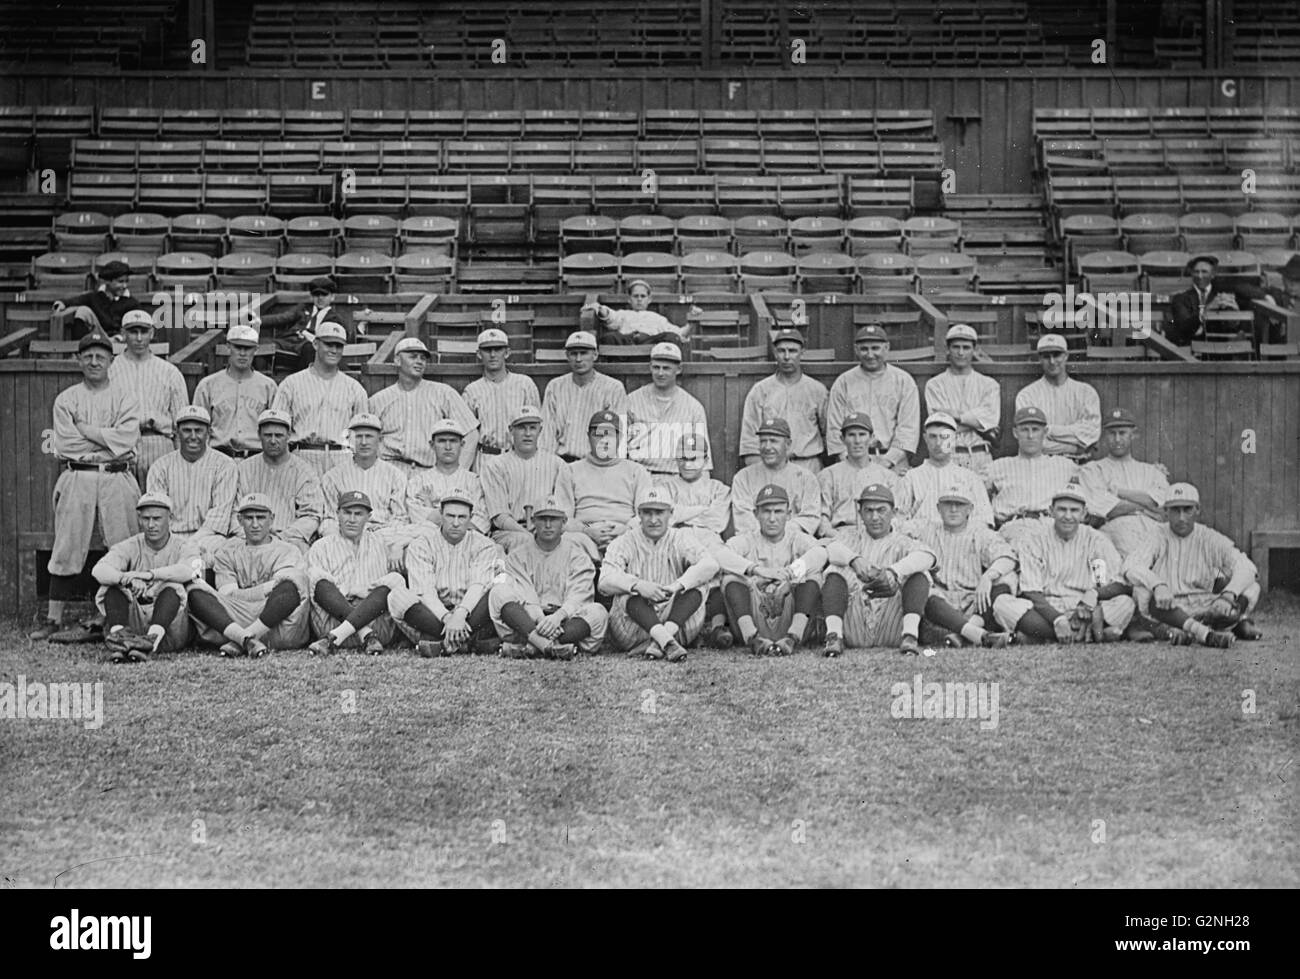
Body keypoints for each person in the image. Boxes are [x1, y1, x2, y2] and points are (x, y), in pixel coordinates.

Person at [29, 330, 142, 643]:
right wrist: (105, 438)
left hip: (117, 475)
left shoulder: (125, 397)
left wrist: (87, 430)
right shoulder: (66, 399)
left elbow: (125, 442)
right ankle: (53, 619)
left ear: (111, 361)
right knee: (67, 545)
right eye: (88, 356)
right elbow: (66, 444)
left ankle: (119, 618)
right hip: (77, 474)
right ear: (79, 359)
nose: (94, 361)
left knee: (123, 545)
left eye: (100, 357)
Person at [990, 484, 1135, 644]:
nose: (1067, 516)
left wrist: (1094, 595)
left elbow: (1119, 583)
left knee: (1125, 603)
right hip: (1047, 607)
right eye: (1062, 509)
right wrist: (1058, 619)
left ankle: (1040, 637)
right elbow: (1031, 591)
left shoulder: (1095, 540)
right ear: (1051, 511)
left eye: (1074, 510)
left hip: (1084, 607)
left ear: (1084, 513)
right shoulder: (1034, 540)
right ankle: (1087, 634)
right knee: (1002, 604)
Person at [1124, 482, 1262, 647]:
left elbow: (1246, 566)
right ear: (1166, 511)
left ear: (1197, 510)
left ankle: (1220, 624)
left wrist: (1228, 595)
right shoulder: (1157, 535)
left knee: (1251, 586)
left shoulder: (1208, 537)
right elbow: (1131, 566)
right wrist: (1158, 585)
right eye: (1175, 510)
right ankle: (1210, 632)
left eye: (1187, 509)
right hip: (1169, 605)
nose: (1181, 517)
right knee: (1143, 592)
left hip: (1205, 604)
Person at [599, 486, 721, 663]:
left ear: (670, 513)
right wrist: (638, 585)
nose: (654, 519)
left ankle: (661, 641)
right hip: (634, 628)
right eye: (647, 513)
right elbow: (604, 581)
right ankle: (664, 641)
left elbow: (710, 564)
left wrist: (676, 586)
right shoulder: (625, 541)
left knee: (699, 584)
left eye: (659, 512)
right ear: (638, 514)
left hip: (676, 623)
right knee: (625, 590)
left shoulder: (680, 537)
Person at [186, 493, 312, 658]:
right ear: (239, 520)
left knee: (293, 582)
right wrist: (267, 588)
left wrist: (261, 592)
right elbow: (227, 594)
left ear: (272, 519)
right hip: (235, 613)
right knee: (194, 589)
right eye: (248, 518)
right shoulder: (227, 550)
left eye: (260, 517)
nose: (255, 524)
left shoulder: (287, 550)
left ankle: (242, 638)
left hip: (273, 617)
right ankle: (246, 639)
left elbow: (284, 592)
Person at [820, 484, 936, 657]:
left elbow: (929, 557)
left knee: (920, 574)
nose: (875, 517)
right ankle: (834, 637)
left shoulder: (903, 541)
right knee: (835, 570)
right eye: (868, 511)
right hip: (855, 622)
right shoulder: (849, 537)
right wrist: (854, 560)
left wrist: (893, 572)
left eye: (881, 510)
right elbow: (828, 548)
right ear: (860, 514)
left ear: (894, 512)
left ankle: (911, 636)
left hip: (891, 624)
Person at [489, 496, 609, 661]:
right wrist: (539, 619)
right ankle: (549, 646)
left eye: (553, 519)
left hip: (563, 621)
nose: (547, 525)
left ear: (564, 521)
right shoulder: (517, 555)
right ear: (532, 521)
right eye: (542, 518)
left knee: (598, 612)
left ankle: (532, 646)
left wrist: (557, 617)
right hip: (527, 620)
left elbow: (579, 596)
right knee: (499, 590)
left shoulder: (578, 556)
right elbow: (523, 593)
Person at [719, 484, 828, 657]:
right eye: (766, 511)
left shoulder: (797, 538)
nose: (772, 518)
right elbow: (720, 554)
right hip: (755, 615)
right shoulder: (747, 539)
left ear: (789, 514)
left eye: (778, 511)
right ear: (756, 514)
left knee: (812, 575)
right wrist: (757, 570)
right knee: (730, 578)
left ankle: (793, 637)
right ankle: (753, 639)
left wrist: (791, 576)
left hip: (790, 615)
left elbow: (821, 554)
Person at [91, 492, 198, 662]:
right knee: (111, 587)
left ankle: (150, 645)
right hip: (135, 623)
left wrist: (147, 575)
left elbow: (191, 570)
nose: (151, 525)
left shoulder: (184, 545)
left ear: (170, 518)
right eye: (145, 519)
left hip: (169, 628)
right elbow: (99, 570)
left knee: (174, 588)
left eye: (157, 519)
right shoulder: (131, 544)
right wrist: (125, 579)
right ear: (139, 519)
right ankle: (121, 640)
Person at [306, 491, 416, 657]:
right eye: (346, 513)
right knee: (314, 574)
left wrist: (399, 545)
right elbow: (318, 590)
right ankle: (362, 634)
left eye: (358, 514)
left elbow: (430, 530)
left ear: (369, 517)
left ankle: (335, 638)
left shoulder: (381, 540)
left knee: (395, 579)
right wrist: (350, 590)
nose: (351, 519)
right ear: (337, 514)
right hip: (334, 623)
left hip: (377, 628)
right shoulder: (322, 546)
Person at [400, 492, 505, 657]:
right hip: (436, 614)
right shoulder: (422, 544)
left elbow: (478, 586)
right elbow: (425, 590)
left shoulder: (484, 544)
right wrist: (448, 618)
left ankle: (444, 643)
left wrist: (460, 615)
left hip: (471, 613)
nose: (456, 523)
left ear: (471, 518)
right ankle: (469, 643)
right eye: (450, 516)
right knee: (397, 597)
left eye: (462, 517)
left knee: (499, 589)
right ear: (441, 515)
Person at [913, 487, 1016, 649]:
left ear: (970, 509)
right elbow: (895, 528)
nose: (953, 510)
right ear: (938, 508)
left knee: (1007, 578)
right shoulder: (926, 529)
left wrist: (988, 577)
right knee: (921, 587)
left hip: (974, 604)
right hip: (940, 606)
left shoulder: (980, 533)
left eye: (960, 505)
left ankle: (963, 634)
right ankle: (977, 634)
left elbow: (1008, 557)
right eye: (948, 504)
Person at [369, 335, 479, 474]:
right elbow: (365, 438)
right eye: (413, 356)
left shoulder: (443, 393)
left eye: (423, 358)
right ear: (397, 360)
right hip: (389, 472)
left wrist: (457, 473)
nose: (419, 361)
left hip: (429, 472)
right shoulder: (379, 399)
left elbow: (471, 434)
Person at [271, 321, 369, 476]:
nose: (334, 350)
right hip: (302, 455)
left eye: (339, 346)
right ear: (315, 344)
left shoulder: (354, 388)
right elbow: (277, 428)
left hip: (341, 458)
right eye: (329, 344)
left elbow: (362, 434)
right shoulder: (291, 383)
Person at [145, 405, 237, 565]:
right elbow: (157, 513)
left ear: (208, 432)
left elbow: (219, 517)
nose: (193, 436)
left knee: (206, 556)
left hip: (209, 537)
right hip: (170, 536)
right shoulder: (160, 466)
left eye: (199, 430)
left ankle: (197, 589)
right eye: (187, 430)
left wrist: (189, 545)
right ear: (177, 431)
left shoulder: (224, 465)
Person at [825, 323, 920, 472]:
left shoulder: (903, 381)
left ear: (887, 348)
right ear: (856, 350)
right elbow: (834, 429)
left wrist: (888, 462)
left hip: (893, 462)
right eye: (864, 349)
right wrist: (851, 462)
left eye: (875, 348)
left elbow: (908, 430)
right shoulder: (844, 382)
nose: (870, 355)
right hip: (852, 463)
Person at [480, 405, 575, 553]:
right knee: (526, 542)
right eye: (521, 428)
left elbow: (565, 512)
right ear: (511, 430)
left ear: (540, 430)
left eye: (532, 428)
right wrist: (528, 534)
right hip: (511, 531)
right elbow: (500, 517)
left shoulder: (557, 464)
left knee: (571, 542)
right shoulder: (495, 466)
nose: (528, 433)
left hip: (549, 529)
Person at [109, 308, 188, 485]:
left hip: (159, 444)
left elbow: (181, 424)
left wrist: (182, 463)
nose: (138, 338)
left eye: (143, 332)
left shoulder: (169, 372)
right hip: (121, 446)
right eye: (132, 331)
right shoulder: (110, 371)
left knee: (160, 507)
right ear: (123, 333)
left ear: (151, 333)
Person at [1078, 408, 1171, 559]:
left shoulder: (1152, 471)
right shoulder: (1093, 470)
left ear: (1133, 435)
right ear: (1104, 436)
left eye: (1122, 433)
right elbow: (1109, 510)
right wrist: (1145, 506)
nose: (1117, 439)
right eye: (1112, 433)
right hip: (1116, 532)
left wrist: (1118, 492)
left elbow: (1161, 507)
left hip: (1154, 530)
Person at [985, 406, 1085, 544]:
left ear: (1044, 433)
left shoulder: (1064, 466)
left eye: (1035, 430)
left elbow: (1090, 489)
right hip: (1013, 528)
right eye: (1025, 430)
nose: (1030, 436)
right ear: (1015, 432)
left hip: (1050, 527)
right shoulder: (997, 467)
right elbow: (979, 500)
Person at [566, 410, 652, 560]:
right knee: (567, 543)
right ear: (588, 437)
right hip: (584, 535)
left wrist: (626, 529)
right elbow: (562, 518)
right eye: (598, 434)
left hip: (625, 534)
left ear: (620, 438)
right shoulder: (570, 470)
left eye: (610, 435)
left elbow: (646, 514)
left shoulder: (636, 471)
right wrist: (586, 530)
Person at [234, 409, 323, 554]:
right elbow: (234, 512)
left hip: (289, 539)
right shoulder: (244, 469)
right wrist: (251, 536)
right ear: (259, 435)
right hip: (248, 538)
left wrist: (281, 537)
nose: (273, 441)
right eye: (268, 435)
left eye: (279, 435)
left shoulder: (304, 470)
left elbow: (311, 515)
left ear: (288, 435)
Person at [739, 329, 828, 471]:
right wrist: (761, 474)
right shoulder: (760, 390)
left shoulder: (817, 390)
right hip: (771, 465)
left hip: (807, 464)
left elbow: (829, 434)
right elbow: (750, 441)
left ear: (802, 352)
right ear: (775, 353)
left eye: (792, 351)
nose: (787, 357)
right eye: (781, 351)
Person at [922, 323, 1001, 476]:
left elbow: (991, 420)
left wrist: (956, 416)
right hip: (948, 455)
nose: (960, 352)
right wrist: (976, 423)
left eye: (966, 347)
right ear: (947, 350)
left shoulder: (989, 384)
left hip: (980, 455)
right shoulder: (935, 384)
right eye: (956, 347)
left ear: (975, 350)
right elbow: (940, 426)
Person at [624, 341, 711, 479]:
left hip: (677, 478)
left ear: (678, 369)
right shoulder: (631, 401)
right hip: (638, 476)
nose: (660, 373)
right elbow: (619, 451)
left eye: (666, 368)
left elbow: (703, 461)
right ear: (650, 368)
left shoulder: (693, 407)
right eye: (656, 367)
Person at [894, 413, 994, 532]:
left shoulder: (970, 478)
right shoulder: (911, 477)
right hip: (920, 539)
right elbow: (898, 520)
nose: (938, 443)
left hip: (959, 541)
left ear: (954, 439)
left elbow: (984, 520)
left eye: (944, 437)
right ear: (925, 438)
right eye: (933, 436)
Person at [318, 413, 408, 545]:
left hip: (384, 538)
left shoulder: (395, 476)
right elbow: (329, 519)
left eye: (369, 436)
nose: (364, 442)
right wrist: (341, 540)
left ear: (380, 439)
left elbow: (400, 518)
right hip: (345, 539)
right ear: (349, 439)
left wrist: (382, 536)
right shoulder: (333, 476)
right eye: (358, 437)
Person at [539, 331, 628, 462]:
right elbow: (547, 434)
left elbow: (618, 435)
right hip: (562, 462)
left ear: (595, 355)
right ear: (567, 356)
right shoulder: (555, 386)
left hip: (596, 464)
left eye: (584, 353)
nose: (578, 359)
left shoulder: (613, 388)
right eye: (573, 354)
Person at [193, 323, 278, 460]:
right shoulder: (208, 385)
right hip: (218, 457)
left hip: (256, 458)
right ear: (228, 347)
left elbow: (276, 430)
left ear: (256, 350)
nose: (242, 353)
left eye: (248, 348)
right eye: (238, 347)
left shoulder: (268, 386)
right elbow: (198, 428)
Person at [730, 416, 821, 537]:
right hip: (754, 543)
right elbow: (743, 519)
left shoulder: (806, 478)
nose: (767, 447)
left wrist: (778, 534)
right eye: (763, 441)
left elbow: (810, 517)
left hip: (793, 541)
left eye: (773, 441)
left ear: (788, 445)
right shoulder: (743, 477)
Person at [462, 328, 540, 468]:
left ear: (507, 352)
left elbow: (538, 427)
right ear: (479, 354)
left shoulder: (524, 384)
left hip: (518, 458)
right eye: (487, 350)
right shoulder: (472, 390)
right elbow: (467, 435)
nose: (493, 355)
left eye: (498, 349)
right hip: (486, 458)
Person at [1014, 334, 1101, 461]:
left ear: (1066, 355)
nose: (1052, 361)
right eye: (1046, 356)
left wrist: (1049, 431)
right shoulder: (1027, 395)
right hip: (1041, 465)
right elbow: (1032, 442)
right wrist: (1076, 447)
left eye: (1056, 355)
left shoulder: (1086, 392)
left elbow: (1092, 434)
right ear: (1039, 358)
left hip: (1079, 463)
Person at [815, 412, 898, 539]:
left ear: (872, 438)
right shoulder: (828, 475)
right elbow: (822, 518)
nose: (857, 441)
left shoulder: (888, 477)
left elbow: (897, 517)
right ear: (842, 439)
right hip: (839, 536)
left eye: (862, 435)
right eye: (851, 435)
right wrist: (837, 538)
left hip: (878, 537)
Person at [405, 419, 489, 534]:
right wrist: (462, 520)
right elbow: (417, 518)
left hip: (469, 542)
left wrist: (433, 509)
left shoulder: (474, 481)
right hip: (428, 541)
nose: (448, 447)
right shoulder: (418, 481)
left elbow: (482, 519)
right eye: (442, 441)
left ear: (462, 444)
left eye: (453, 441)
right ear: (432, 445)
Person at [258, 275, 359, 371]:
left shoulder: (335, 318)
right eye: (316, 294)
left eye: (324, 294)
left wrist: (314, 338)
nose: (320, 298)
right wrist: (257, 320)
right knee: (262, 343)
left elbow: (345, 337)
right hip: (290, 341)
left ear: (332, 297)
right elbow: (283, 317)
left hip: (309, 345)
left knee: (310, 348)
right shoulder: (304, 308)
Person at [1167, 255, 1253, 346]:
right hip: (1191, 348)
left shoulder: (1222, 297)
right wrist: (1207, 309)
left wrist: (1235, 316)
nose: (1200, 276)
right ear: (1191, 274)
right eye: (1196, 272)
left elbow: (1232, 329)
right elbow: (1184, 327)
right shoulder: (1181, 298)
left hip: (1220, 349)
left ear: (1213, 274)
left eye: (1204, 272)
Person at [51, 259, 143, 339]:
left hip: (120, 341)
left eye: (126, 281)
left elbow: (135, 327)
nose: (124, 286)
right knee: (83, 311)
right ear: (108, 281)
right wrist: (62, 303)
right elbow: (74, 301)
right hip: (98, 337)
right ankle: (79, 349)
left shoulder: (132, 303)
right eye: (120, 282)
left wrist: (119, 338)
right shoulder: (95, 297)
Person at [587, 279, 690, 346]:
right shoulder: (624, 314)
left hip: (649, 342)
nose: (639, 299)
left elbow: (678, 333)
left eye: (643, 296)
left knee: (671, 337)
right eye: (636, 296)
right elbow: (611, 317)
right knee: (609, 337)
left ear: (649, 299)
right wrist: (601, 309)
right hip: (628, 342)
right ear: (629, 299)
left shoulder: (657, 318)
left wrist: (691, 323)